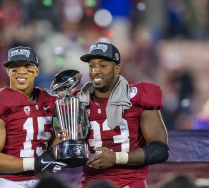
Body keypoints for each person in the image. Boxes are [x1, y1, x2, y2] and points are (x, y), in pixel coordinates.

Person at [72, 42, 169, 188]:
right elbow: (60, 135)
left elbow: (160, 150)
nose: (95, 71)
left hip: (129, 183)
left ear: (117, 68)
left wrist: (116, 158)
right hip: (91, 183)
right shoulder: (77, 101)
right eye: (92, 65)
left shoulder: (137, 97)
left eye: (103, 65)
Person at [0, 46, 66, 188]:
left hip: (41, 181)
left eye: (27, 66)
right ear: (7, 71)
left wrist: (64, 138)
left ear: (36, 71)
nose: (21, 71)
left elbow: (52, 150)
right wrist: (35, 163)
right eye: (15, 67)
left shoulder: (50, 100)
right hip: (9, 182)